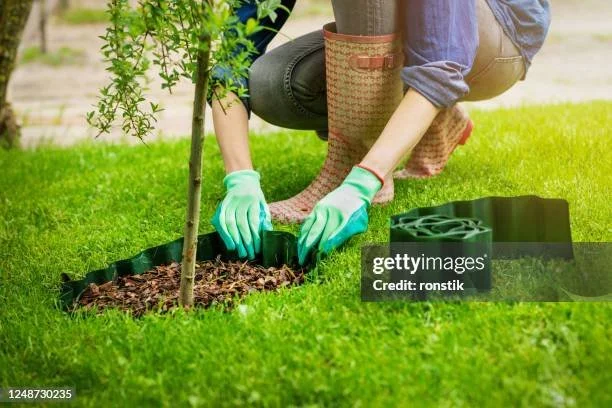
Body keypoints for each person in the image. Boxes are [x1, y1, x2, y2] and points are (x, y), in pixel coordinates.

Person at [210, 0, 551, 264]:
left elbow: (443, 62)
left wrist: (361, 182)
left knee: (431, 61)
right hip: (421, 39)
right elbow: (233, 59)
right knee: (272, 83)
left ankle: (354, 162)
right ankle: (432, 117)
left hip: (498, 38)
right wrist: (239, 177)